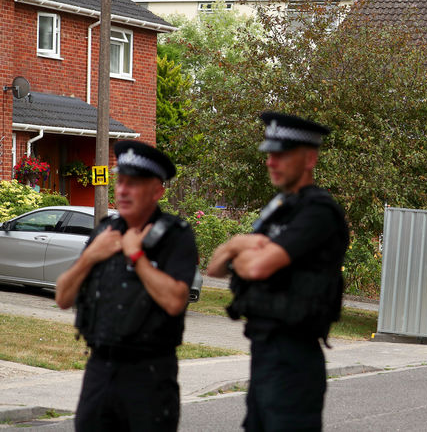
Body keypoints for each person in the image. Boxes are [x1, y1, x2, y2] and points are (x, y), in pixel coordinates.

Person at [208, 111, 349, 432]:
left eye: (281, 154)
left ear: (310, 158)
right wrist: (238, 244)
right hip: (265, 354)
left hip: (294, 358)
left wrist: (245, 251)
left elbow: (257, 266)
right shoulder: (280, 209)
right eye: (269, 154)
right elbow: (215, 267)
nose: (271, 161)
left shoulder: (319, 212)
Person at [55, 140, 197, 432]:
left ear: (157, 191)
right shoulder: (105, 232)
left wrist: (137, 256)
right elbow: (62, 297)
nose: (122, 190)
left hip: (148, 375)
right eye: (120, 181)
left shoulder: (176, 236)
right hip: (99, 371)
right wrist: (89, 258)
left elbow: (175, 301)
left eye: (133, 183)